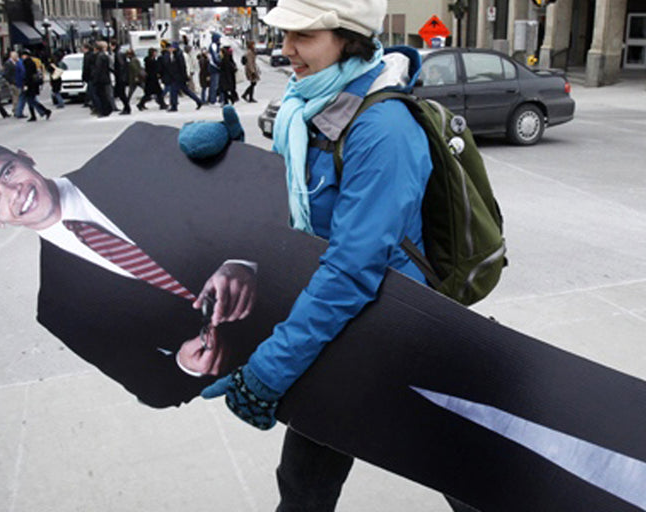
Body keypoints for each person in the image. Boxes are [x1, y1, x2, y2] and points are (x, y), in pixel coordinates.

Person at [198, 1, 476, 510]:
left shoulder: (384, 130)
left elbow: (351, 269)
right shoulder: (309, 107)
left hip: (394, 332)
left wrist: (270, 370)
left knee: (465, 473)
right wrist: (229, 161)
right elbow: (294, 211)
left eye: (303, 36)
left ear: (349, 39)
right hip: (333, 330)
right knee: (303, 483)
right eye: (285, 35)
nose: (286, 50)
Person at [0, 142, 261, 404]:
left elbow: (251, 187)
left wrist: (242, 261)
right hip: (259, 370)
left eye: (8, 172)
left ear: (25, 157)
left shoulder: (129, 160)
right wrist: (184, 365)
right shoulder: (57, 307)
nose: (14, 192)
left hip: (288, 283)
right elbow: (153, 387)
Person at [160, 42, 202, 112]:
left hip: (178, 77)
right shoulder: (174, 54)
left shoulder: (179, 55)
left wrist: (185, 76)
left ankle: (174, 106)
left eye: (172, 48)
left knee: (174, 91)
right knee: (186, 91)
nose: (170, 49)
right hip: (175, 77)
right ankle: (198, 101)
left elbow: (182, 66)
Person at [19, 49, 52, 122]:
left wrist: (26, 84)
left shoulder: (27, 63)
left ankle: (45, 111)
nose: (22, 57)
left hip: (30, 85)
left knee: (31, 101)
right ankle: (34, 115)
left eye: (23, 55)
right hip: (33, 85)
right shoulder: (31, 62)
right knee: (30, 100)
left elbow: (28, 75)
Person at [92, 41, 114, 117]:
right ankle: (107, 109)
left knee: (101, 95)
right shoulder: (104, 56)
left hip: (100, 79)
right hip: (105, 78)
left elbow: (98, 69)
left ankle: (104, 110)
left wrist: (95, 79)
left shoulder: (99, 57)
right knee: (104, 95)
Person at [111, 41, 131, 115]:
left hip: (121, 77)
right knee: (121, 93)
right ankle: (126, 108)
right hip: (121, 77)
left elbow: (121, 66)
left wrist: (118, 74)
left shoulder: (118, 54)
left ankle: (127, 108)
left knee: (121, 94)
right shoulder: (119, 53)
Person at [2, 50, 21, 117]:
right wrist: (12, 81)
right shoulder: (8, 63)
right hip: (13, 83)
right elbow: (6, 74)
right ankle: (16, 110)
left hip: (17, 82)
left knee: (16, 97)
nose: (17, 58)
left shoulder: (16, 62)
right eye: (16, 56)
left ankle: (16, 110)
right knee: (16, 96)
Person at [125, 49, 144, 113]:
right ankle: (141, 103)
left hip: (135, 79)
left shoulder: (133, 60)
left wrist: (136, 77)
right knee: (131, 92)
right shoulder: (134, 60)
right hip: (136, 79)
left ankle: (127, 103)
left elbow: (135, 69)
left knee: (130, 92)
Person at [207, 33, 222, 105]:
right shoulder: (214, 45)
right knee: (214, 85)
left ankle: (212, 99)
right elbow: (215, 57)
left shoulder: (215, 45)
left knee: (214, 84)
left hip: (214, 67)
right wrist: (219, 64)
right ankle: (213, 100)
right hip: (214, 67)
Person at [81, 43, 97, 112]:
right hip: (92, 76)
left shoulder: (87, 56)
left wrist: (84, 76)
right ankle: (88, 102)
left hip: (90, 76)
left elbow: (86, 67)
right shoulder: (92, 55)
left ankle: (94, 105)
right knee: (91, 91)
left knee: (92, 92)